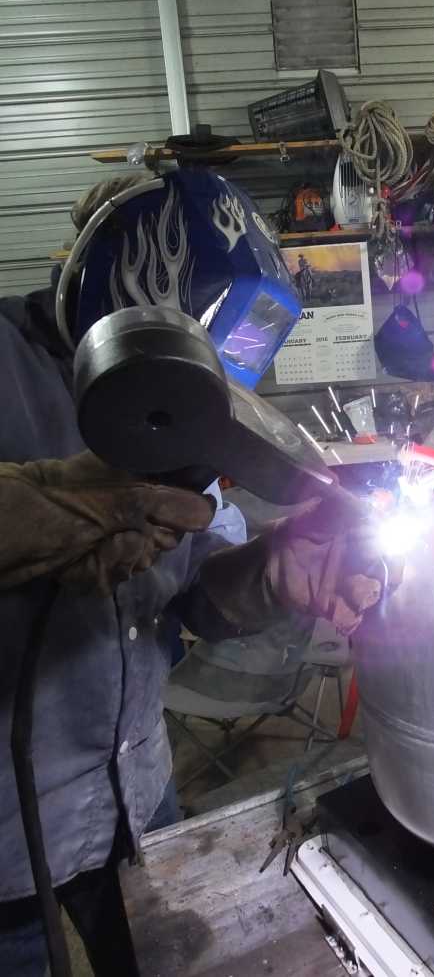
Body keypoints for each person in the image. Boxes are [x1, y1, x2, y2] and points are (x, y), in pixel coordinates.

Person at [0, 172, 388, 976]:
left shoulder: (180, 409)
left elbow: (186, 598)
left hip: (138, 807)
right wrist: (37, 506)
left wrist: (270, 573)